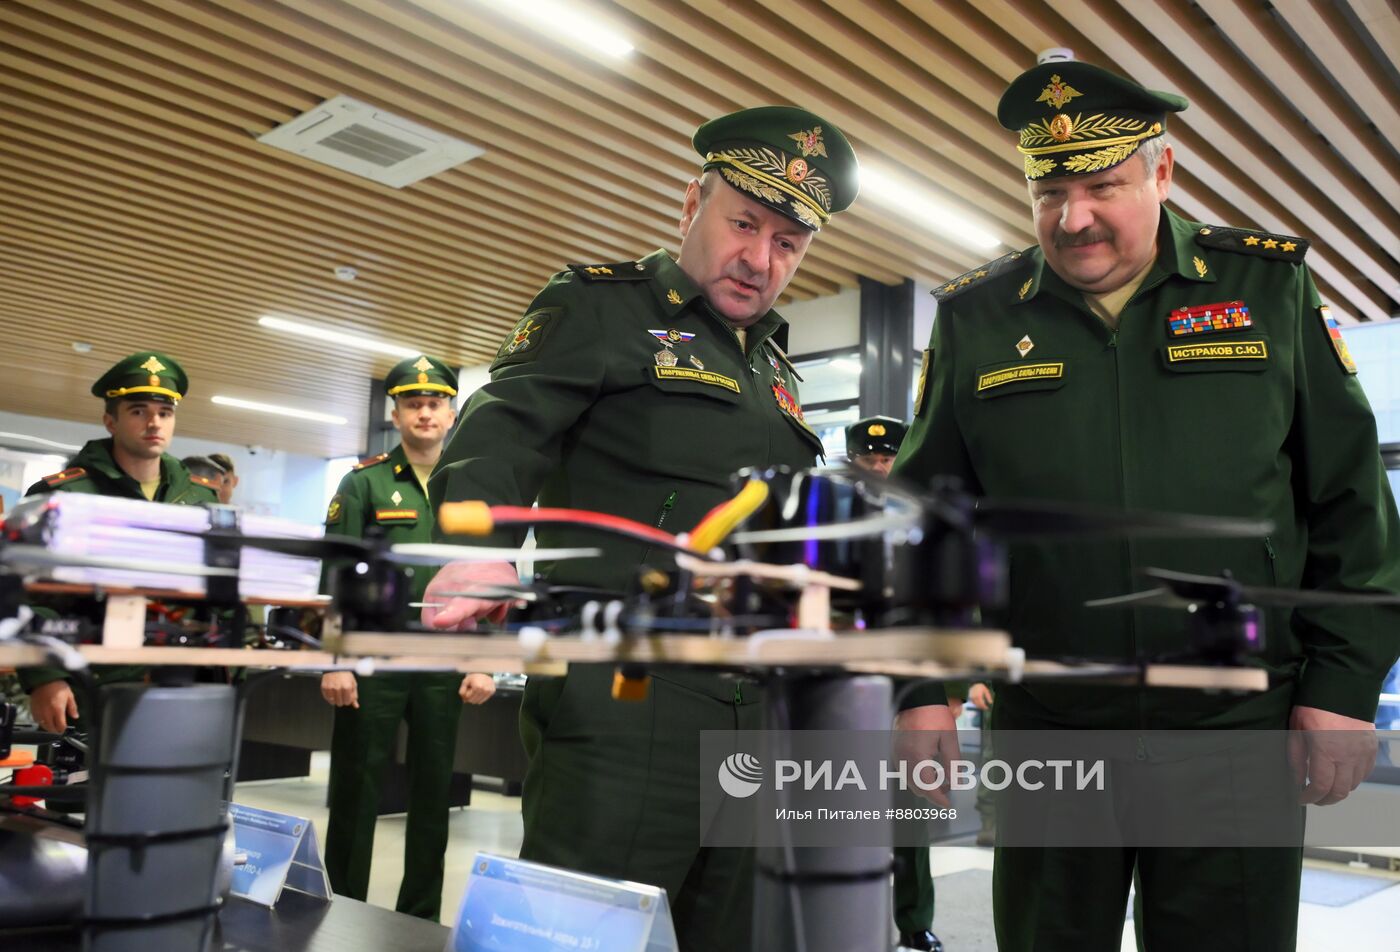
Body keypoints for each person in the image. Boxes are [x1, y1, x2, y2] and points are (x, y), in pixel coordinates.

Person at [893, 58, 1400, 951]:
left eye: (1102, 184)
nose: (1073, 215)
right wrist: (921, 688)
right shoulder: (976, 319)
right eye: (1049, 189)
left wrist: (1345, 687)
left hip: (1235, 728)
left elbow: (1351, 500)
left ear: (1162, 174)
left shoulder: (1265, 288)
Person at [422, 107, 861, 950]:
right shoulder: (603, 307)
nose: (761, 259)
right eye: (745, 224)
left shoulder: (774, 367)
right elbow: (501, 431)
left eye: (789, 245)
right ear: (690, 202)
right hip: (626, 702)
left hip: (759, 706)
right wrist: (472, 558)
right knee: (583, 933)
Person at [318, 355, 496, 921]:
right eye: (413, 403)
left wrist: (484, 660)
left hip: (444, 660)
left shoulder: (473, 487)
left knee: (433, 795)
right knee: (355, 789)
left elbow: (491, 579)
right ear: (394, 413)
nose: (425, 412)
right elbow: (335, 578)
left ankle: (418, 915)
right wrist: (335, 660)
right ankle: (340, 908)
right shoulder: (363, 482)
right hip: (372, 659)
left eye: (436, 402)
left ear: (451, 412)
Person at [21, 352, 219, 733]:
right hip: (90, 681)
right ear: (110, 420)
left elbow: (220, 593)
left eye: (165, 412)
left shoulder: (200, 500)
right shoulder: (62, 495)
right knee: (88, 790)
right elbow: (23, 594)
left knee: (186, 790)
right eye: (138, 411)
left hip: (186, 681)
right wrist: (45, 675)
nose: (153, 422)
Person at [846, 416, 946, 952]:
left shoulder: (923, 523)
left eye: (888, 459)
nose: (880, 467)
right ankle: (837, 915)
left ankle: (914, 920)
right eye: (870, 459)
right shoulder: (828, 518)